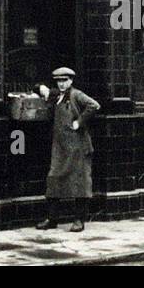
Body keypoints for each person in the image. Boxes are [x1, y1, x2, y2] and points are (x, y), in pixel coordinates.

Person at [35, 66, 100, 232]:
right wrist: (41, 88)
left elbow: (94, 105)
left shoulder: (76, 95)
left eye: (65, 81)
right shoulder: (57, 95)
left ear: (71, 81)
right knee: (54, 180)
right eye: (59, 81)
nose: (62, 84)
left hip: (78, 147)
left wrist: (79, 121)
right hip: (60, 148)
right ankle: (52, 219)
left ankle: (79, 221)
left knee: (80, 184)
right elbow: (38, 89)